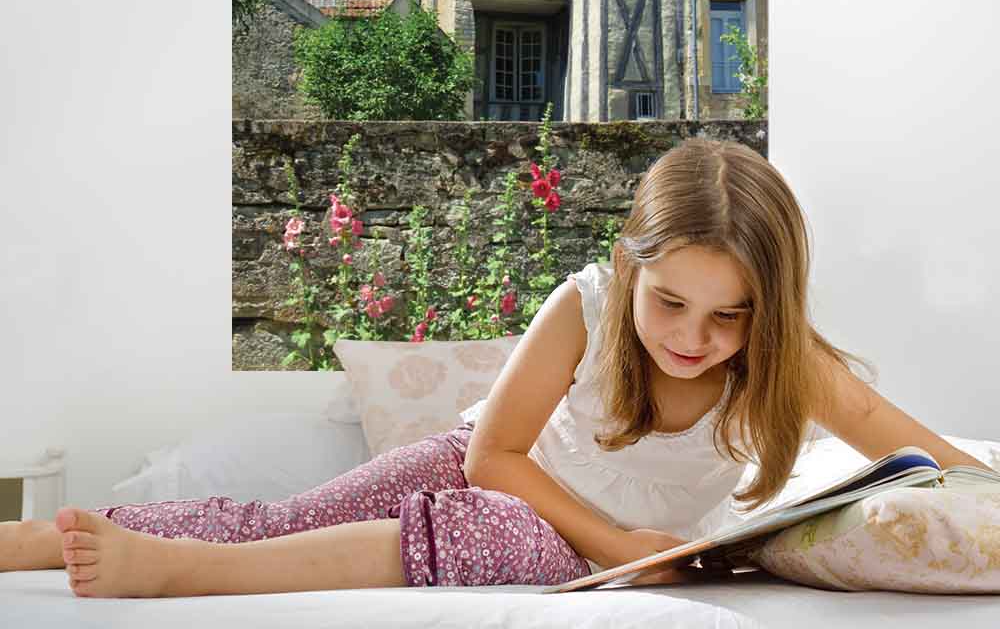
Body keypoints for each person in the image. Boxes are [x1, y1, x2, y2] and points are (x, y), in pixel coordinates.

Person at [1, 139, 991, 598]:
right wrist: (613, 539)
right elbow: (491, 459)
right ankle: (45, 539)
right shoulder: (586, 307)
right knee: (291, 518)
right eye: (670, 304)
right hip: (509, 479)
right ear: (630, 270)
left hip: (590, 548)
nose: (694, 339)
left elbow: (934, 463)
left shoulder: (785, 361)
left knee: (504, 539)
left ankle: (184, 573)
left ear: (766, 308)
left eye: (729, 316)